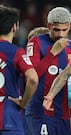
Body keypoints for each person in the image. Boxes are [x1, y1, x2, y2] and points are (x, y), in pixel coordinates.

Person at [24, 7, 71, 135]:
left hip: (64, 115)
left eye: (64, 30)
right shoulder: (36, 42)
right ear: (48, 26)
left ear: (69, 26)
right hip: (40, 112)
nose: (60, 34)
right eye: (56, 30)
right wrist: (53, 53)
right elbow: (32, 76)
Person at [0, 5, 38, 135]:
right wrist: (23, 103)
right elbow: (33, 79)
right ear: (15, 27)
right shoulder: (16, 52)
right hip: (8, 120)